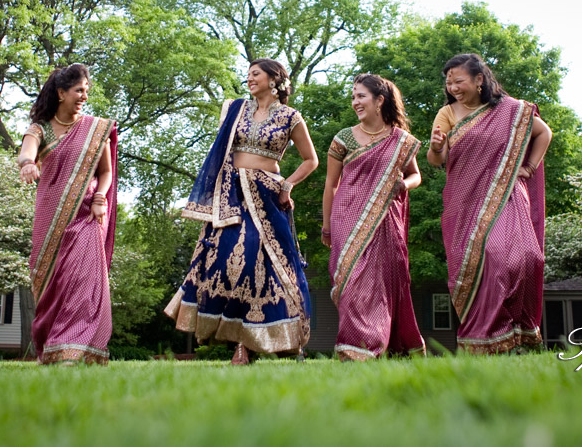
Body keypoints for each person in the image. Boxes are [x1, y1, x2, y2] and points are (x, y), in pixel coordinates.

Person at [165, 59, 320, 365]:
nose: (249, 79)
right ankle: (239, 343)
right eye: (248, 74)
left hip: (267, 196)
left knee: (262, 265)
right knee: (225, 263)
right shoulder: (236, 109)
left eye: (255, 74)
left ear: (274, 79)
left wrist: (287, 186)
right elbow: (220, 152)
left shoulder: (290, 117)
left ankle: (278, 339)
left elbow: (310, 160)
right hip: (232, 197)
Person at [427, 53, 552, 354]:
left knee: (527, 258)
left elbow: (544, 132)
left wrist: (529, 168)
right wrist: (435, 148)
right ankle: (487, 337)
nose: (453, 87)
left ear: (479, 79)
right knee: (490, 259)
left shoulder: (512, 111)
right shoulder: (448, 113)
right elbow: (436, 161)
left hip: (508, 195)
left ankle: (518, 332)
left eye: (459, 81)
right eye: (449, 82)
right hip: (465, 200)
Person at [16, 63, 118, 365]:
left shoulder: (94, 129)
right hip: (49, 217)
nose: (84, 96)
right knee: (50, 282)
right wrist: (27, 164)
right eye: (78, 91)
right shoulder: (40, 128)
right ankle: (52, 345)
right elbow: (27, 150)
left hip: (87, 215)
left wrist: (100, 197)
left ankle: (73, 348)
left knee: (83, 282)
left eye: (86, 91)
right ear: (61, 93)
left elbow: (106, 172)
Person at [321, 74, 426, 361]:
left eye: (361, 96)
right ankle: (355, 348)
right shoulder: (343, 138)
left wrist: (405, 184)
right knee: (351, 280)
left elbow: (415, 174)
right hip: (346, 217)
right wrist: (327, 224)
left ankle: (378, 345)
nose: (355, 102)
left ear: (380, 100)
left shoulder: (401, 140)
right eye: (353, 97)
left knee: (383, 283)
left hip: (385, 220)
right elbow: (331, 184)